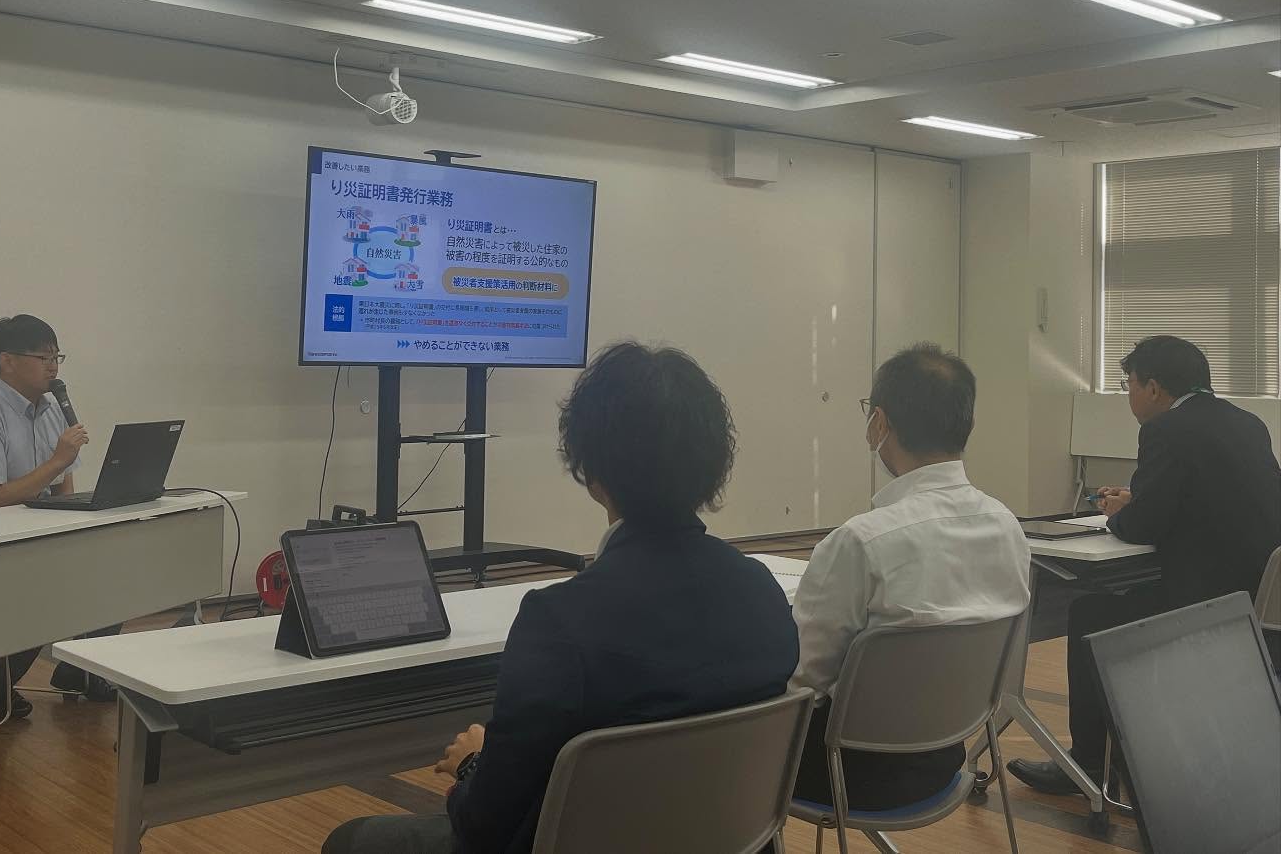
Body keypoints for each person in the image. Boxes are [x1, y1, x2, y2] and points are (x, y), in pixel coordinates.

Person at [322, 342, 799, 854]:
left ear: (592, 472)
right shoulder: (763, 596)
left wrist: (473, 764)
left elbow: (484, 830)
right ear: (713, 461)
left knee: (351, 841)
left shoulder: (559, 622)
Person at [1010, 335, 1281, 795]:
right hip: (1255, 603)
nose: (1129, 395)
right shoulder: (1247, 423)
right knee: (1124, 601)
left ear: (1153, 388)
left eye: (1129, 384)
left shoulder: (1166, 429)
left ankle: (1089, 766)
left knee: (1090, 614)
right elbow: (1213, 499)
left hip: (1204, 607)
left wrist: (1121, 512)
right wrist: (1139, 500)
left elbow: (1144, 526)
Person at [789, 343, 1031, 810]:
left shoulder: (860, 542)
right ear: (966, 424)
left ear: (878, 424)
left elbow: (801, 683)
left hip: (843, 771)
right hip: (947, 757)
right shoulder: (1007, 528)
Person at [0, 314, 112, 719]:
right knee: (46, 591)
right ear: (8, 362)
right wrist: (57, 461)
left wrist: (72, 526)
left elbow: (63, 483)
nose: (53, 367)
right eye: (43, 357)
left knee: (112, 571)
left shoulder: (50, 408)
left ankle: (78, 671)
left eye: (57, 357)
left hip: (29, 535)